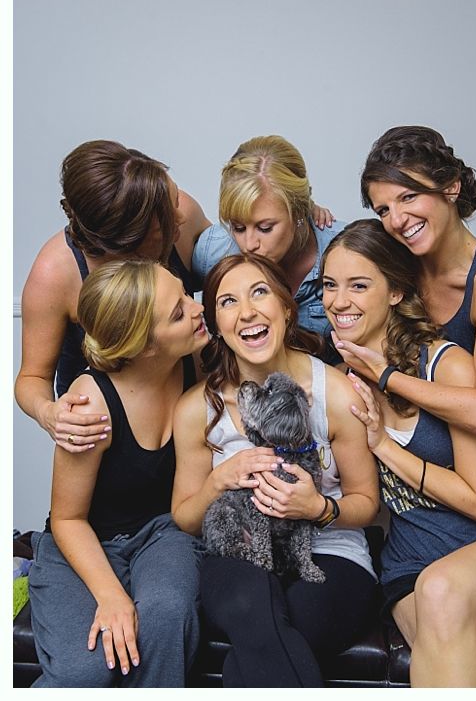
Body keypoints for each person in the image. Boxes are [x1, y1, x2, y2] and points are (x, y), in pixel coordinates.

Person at [171, 252, 380, 688]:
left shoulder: (337, 395)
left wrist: (318, 507)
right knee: (251, 609)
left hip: (329, 553)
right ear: (214, 322)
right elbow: (186, 518)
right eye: (228, 302)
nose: (246, 311)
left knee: (281, 633)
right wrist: (218, 481)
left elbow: (367, 503)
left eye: (259, 292)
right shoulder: (196, 409)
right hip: (240, 550)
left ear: (286, 308)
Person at [321, 220, 476, 687]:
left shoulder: (447, 365)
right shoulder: (338, 381)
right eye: (329, 286)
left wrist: (385, 447)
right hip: (410, 567)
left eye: (358, 285)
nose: (339, 302)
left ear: (397, 291)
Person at [28, 259, 208, 687]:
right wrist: (112, 597)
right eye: (179, 312)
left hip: (164, 533)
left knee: (166, 619)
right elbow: (68, 519)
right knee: (83, 671)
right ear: (144, 346)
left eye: (185, 294)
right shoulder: (90, 403)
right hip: (86, 540)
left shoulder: (192, 362)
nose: (197, 308)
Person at [16, 140, 211, 453]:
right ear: (128, 243)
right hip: (107, 432)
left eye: (172, 199)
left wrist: (294, 210)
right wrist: (49, 413)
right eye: (165, 218)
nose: (181, 216)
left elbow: (239, 266)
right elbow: (31, 376)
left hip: (187, 408)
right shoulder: (55, 274)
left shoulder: (180, 211)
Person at [333, 126, 476, 440]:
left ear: (451, 188)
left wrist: (384, 375)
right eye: (384, 209)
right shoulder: (397, 260)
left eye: (408, 197)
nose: (396, 220)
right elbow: (344, 252)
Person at [192, 134, 342, 339]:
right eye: (238, 227)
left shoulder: (345, 251)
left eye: (265, 228)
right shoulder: (212, 252)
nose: (249, 245)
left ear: (298, 211)